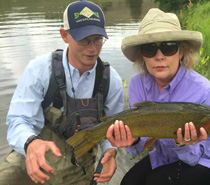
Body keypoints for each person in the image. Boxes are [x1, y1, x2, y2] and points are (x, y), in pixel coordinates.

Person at [0, 1, 124, 185]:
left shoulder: (110, 80)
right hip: (32, 158)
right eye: (84, 39)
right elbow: (19, 120)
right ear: (64, 35)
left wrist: (110, 152)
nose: (92, 48)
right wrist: (31, 143)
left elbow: (112, 131)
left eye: (97, 39)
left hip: (78, 165)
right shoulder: (39, 69)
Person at [107, 8, 210, 185]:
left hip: (206, 161)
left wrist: (184, 143)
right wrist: (133, 140)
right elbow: (142, 146)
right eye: (150, 49)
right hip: (164, 156)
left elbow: (193, 158)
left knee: (154, 182)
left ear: (181, 51)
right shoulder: (137, 84)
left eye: (169, 47)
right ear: (142, 56)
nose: (159, 56)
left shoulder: (204, 91)